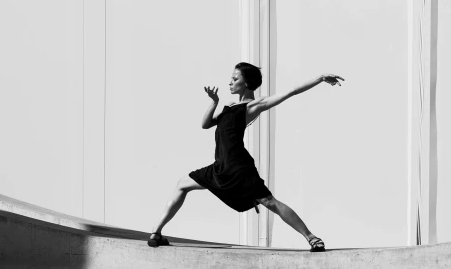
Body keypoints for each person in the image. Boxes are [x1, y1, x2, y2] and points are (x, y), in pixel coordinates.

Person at [146, 62, 344, 252]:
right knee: (182, 184)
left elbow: (291, 91)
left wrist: (319, 78)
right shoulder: (229, 107)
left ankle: (311, 238)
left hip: (239, 167)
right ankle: (156, 233)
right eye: (230, 78)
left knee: (270, 202)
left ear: (246, 83)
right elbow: (205, 125)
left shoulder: (252, 106)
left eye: (234, 78)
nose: (229, 82)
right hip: (220, 166)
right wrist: (214, 102)